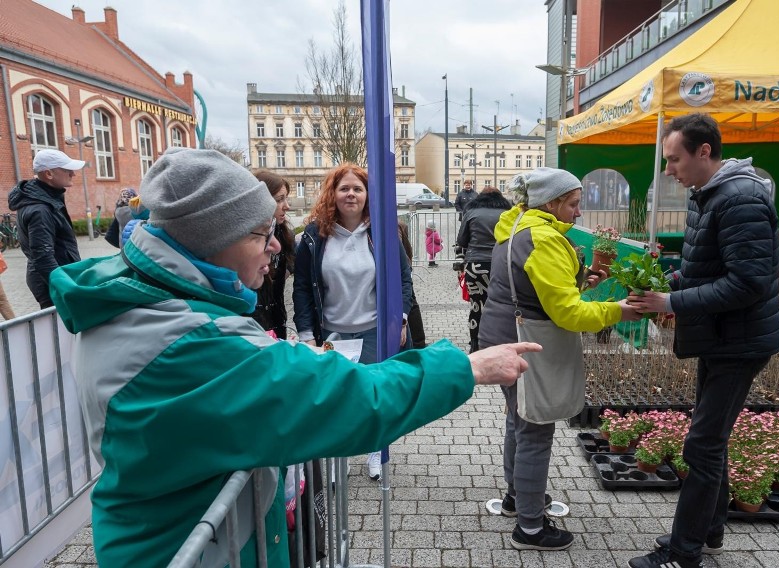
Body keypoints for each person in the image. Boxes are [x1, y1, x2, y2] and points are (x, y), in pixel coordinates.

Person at [48, 147, 540, 568]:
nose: (276, 245)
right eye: (262, 233)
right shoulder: (190, 343)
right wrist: (467, 367)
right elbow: (346, 398)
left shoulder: (142, 299)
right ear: (213, 240)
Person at [626, 113, 779, 568]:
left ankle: (684, 552)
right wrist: (664, 283)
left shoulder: (741, 199)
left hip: (741, 341)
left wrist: (671, 303)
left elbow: (748, 283)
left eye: (674, 160)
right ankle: (708, 531)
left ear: (704, 152)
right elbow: (704, 269)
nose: (669, 170)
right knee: (712, 440)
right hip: (720, 337)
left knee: (702, 445)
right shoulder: (708, 194)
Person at [478, 167, 640, 552]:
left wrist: (582, 282)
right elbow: (568, 314)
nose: (578, 212)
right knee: (536, 428)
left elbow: (536, 287)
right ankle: (530, 528)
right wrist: (617, 310)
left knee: (519, 420)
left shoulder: (514, 227)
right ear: (550, 203)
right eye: (573, 203)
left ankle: (518, 499)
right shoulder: (545, 239)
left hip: (501, 338)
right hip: (527, 342)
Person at [293, 162, 414, 481]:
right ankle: (340, 455)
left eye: (357, 189)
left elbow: (403, 278)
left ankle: (376, 450)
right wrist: (306, 333)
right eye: (344, 188)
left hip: (374, 330)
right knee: (337, 398)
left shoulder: (384, 231)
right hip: (332, 331)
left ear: (368, 195)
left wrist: (400, 318)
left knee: (373, 396)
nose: (350, 194)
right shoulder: (314, 234)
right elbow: (302, 286)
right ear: (332, 193)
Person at [8, 149, 84, 308]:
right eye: (67, 170)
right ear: (49, 174)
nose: (73, 174)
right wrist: (67, 288)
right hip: (52, 283)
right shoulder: (40, 209)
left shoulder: (45, 198)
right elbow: (43, 256)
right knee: (59, 330)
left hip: (56, 276)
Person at [455, 185, 511, 352]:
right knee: (502, 305)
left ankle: (475, 345)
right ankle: (501, 344)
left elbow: (462, 241)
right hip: (502, 264)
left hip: (476, 265)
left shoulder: (471, 213)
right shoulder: (508, 214)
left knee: (477, 305)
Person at [249, 170, 296, 339]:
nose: (287, 206)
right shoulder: (245, 241)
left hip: (277, 321)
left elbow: (292, 259)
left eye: (286, 198)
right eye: (279, 200)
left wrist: (285, 271)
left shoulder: (285, 235)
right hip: (254, 327)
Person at [398, 220, 427, 348]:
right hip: (404, 267)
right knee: (411, 302)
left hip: (400, 270)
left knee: (410, 301)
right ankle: (419, 343)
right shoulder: (399, 224)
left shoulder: (395, 226)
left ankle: (418, 343)